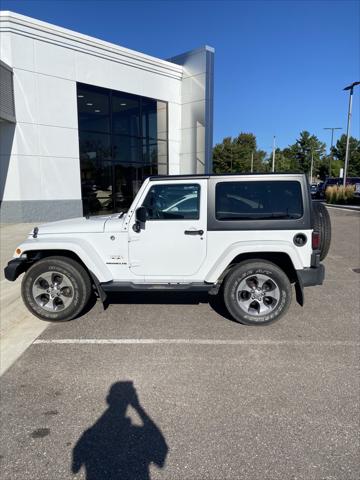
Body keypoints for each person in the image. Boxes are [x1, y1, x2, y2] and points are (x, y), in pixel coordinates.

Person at [72, 381, 168, 480]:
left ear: (109, 399)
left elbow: (75, 468)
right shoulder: (137, 433)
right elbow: (160, 450)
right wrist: (138, 407)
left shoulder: (90, 434)